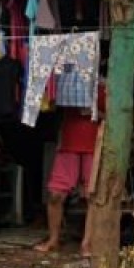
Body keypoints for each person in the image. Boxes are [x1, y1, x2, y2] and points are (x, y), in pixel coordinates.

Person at [36, 84, 104, 254]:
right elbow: (51, 103)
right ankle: (53, 240)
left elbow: (115, 115)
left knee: (92, 197)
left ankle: (87, 243)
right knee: (55, 195)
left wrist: (94, 112)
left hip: (94, 145)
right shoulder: (67, 81)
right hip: (68, 144)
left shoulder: (102, 86)